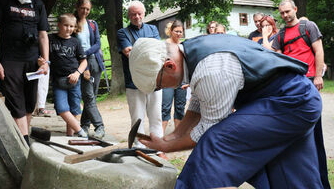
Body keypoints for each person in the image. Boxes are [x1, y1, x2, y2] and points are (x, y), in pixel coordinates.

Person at [128, 36, 324, 188]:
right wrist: (169, 139)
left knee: (214, 146)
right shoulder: (194, 52)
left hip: (290, 101)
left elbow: (208, 129)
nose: (163, 90)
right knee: (294, 177)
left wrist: (168, 147)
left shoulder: (212, 69)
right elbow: (197, 105)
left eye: (159, 86)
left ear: (169, 66)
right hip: (297, 98)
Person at [0, 0, 49, 146]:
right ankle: (25, 143)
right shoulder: (3, 0)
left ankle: (21, 140)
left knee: (30, 103)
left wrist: (45, 61)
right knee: (16, 102)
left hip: (32, 61)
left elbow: (43, 35)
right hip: (10, 60)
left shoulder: (38, 4)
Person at [271, 0, 329, 188]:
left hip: (310, 82)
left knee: (314, 132)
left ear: (295, 9)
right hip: (290, 86)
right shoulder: (280, 35)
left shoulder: (308, 26)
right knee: (296, 131)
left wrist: (319, 76)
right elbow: (272, 56)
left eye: (288, 11)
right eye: (282, 13)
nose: (285, 15)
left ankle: (321, 181)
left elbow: (318, 50)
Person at [117, 1, 164, 154]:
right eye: (132, 14)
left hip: (155, 81)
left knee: (156, 116)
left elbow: (159, 51)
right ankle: (139, 147)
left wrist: (140, 50)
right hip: (134, 83)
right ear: (128, 15)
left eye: (139, 13)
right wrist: (148, 51)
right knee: (137, 118)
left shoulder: (153, 29)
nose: (136, 17)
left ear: (144, 14)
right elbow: (129, 53)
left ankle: (158, 147)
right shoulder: (122, 33)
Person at [49, 13, 87, 137]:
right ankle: (80, 132)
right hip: (58, 80)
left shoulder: (75, 42)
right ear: (59, 25)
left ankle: (69, 136)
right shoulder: (50, 39)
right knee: (61, 108)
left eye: (71, 26)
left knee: (74, 109)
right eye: (66, 25)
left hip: (74, 80)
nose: (68, 29)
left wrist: (77, 73)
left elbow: (84, 61)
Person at [74, 0, 105, 139]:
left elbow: (98, 43)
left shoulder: (93, 24)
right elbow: (72, 44)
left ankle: (85, 126)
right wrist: (83, 56)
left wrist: (85, 53)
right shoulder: (72, 23)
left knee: (91, 96)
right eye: (83, 8)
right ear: (77, 7)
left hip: (95, 62)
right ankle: (100, 126)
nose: (85, 11)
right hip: (82, 63)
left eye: (88, 9)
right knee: (88, 96)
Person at [161, 20, 187, 133]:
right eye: (176, 31)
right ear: (171, 31)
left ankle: (178, 134)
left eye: (180, 32)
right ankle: (160, 135)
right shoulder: (164, 45)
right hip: (168, 80)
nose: (178, 34)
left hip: (181, 80)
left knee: (180, 108)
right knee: (165, 107)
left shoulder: (183, 45)